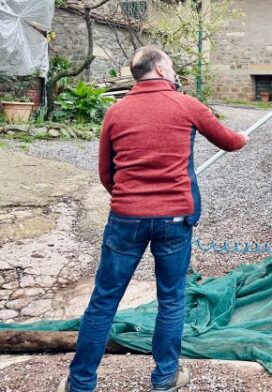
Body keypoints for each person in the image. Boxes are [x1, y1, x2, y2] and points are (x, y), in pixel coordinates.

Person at [58, 46, 249, 392]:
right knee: (172, 298)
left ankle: (80, 383)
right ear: (160, 69)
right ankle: (164, 378)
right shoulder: (186, 104)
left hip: (125, 220)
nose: (175, 74)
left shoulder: (116, 112)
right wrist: (243, 138)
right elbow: (230, 142)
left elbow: (106, 173)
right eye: (172, 67)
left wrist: (131, 197)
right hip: (175, 220)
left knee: (104, 300)